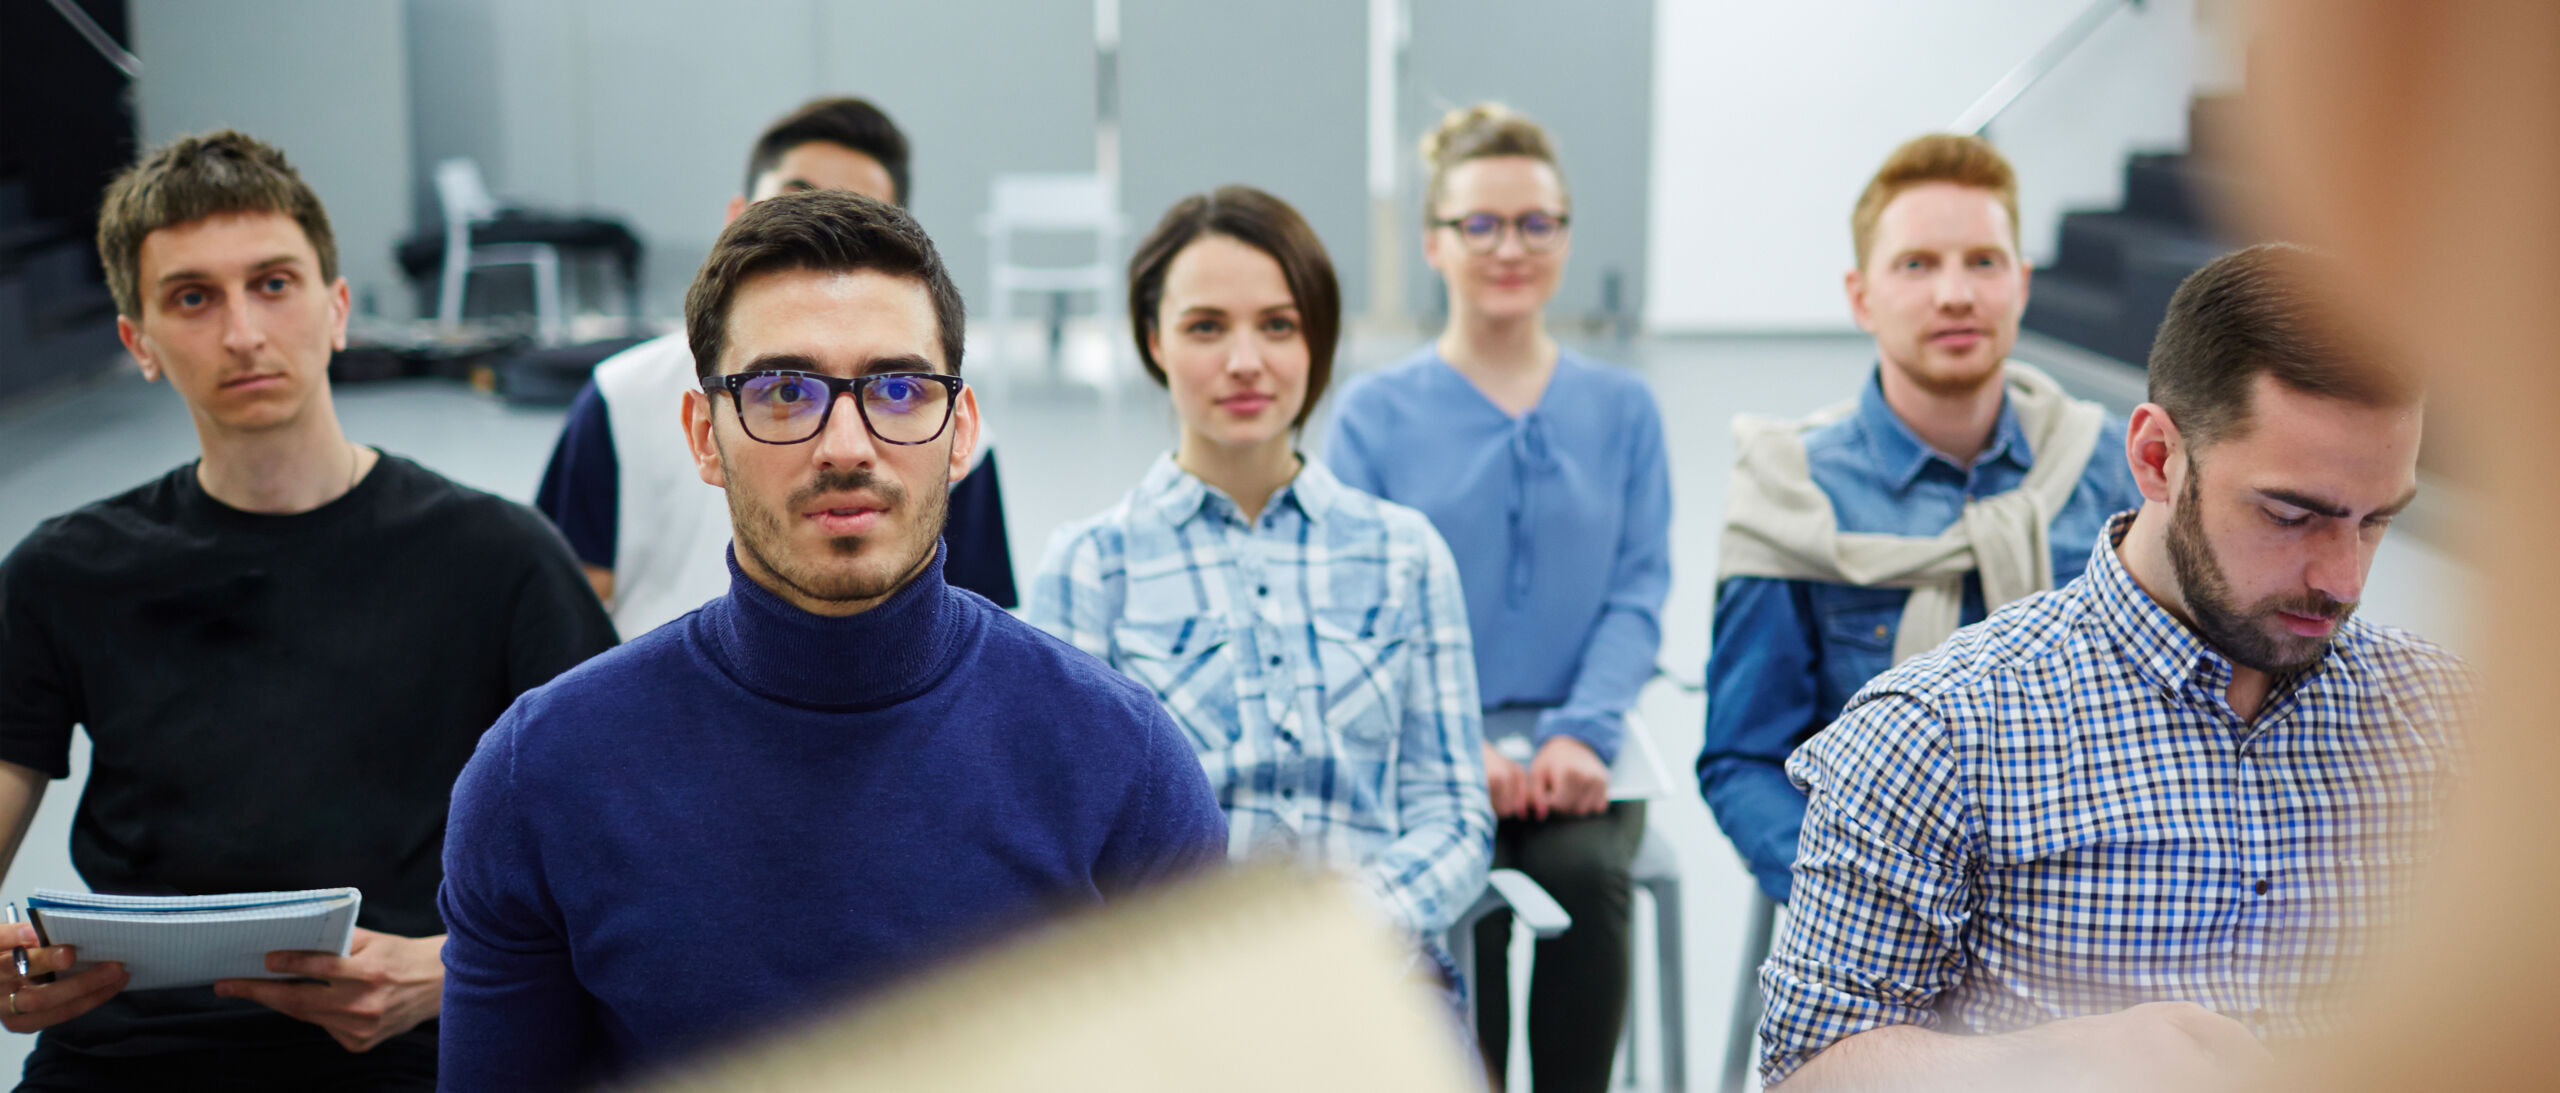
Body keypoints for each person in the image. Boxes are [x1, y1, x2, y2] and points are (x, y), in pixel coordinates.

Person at [437, 189, 1228, 1090]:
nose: (846, 444)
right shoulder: (541, 775)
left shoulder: (1119, 762)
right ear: (704, 434)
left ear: (960, 430)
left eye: (898, 388)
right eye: (783, 390)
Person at [1758, 243, 2467, 1092]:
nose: (2344, 578)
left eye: (2377, 520)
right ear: (2158, 458)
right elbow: (1808, 1068)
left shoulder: (2449, 720)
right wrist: (2046, 1062)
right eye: (2291, 515)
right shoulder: (1941, 731)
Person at [0, 131, 616, 1089]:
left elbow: (624, 870)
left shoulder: (501, 557)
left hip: (409, 1050)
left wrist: (449, 969)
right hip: (131, 1057)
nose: (243, 332)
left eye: (275, 283)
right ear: (140, 343)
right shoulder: (63, 571)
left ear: (337, 310)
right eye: (193, 297)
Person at [1028, 186, 1492, 972]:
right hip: (1177, 984)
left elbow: (1452, 816)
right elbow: (1065, 837)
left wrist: (1342, 930)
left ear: (1317, 337)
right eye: (1206, 327)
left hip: (1374, 973)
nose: (1245, 361)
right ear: (1154, 341)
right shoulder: (1089, 566)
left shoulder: (1405, 554)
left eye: (1278, 325)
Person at [1700, 133, 2144, 904]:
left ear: (2021, 283)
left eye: (1983, 261)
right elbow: (1745, 759)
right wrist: (1849, 891)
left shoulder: (2114, 467)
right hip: (1882, 889)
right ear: (1860, 295)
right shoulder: (1792, 488)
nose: (1955, 294)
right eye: (1917, 264)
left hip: (2093, 881)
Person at [1321, 103, 1666, 1092]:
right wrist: (1451, 741)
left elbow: (1639, 589)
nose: (1508, 247)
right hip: (1419, 747)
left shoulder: (1623, 408)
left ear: (1563, 234)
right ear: (1433, 241)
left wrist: (1580, 733)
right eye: (1479, 224)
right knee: (1446, 891)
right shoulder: (1375, 413)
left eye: (1534, 223)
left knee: (1581, 876)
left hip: (1574, 754)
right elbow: (1356, 606)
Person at [534, 96, 1019, 639]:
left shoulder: (940, 421)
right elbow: (566, 606)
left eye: (856, 212)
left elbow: (981, 630)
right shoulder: (621, 395)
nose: (845, 447)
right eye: (784, 391)